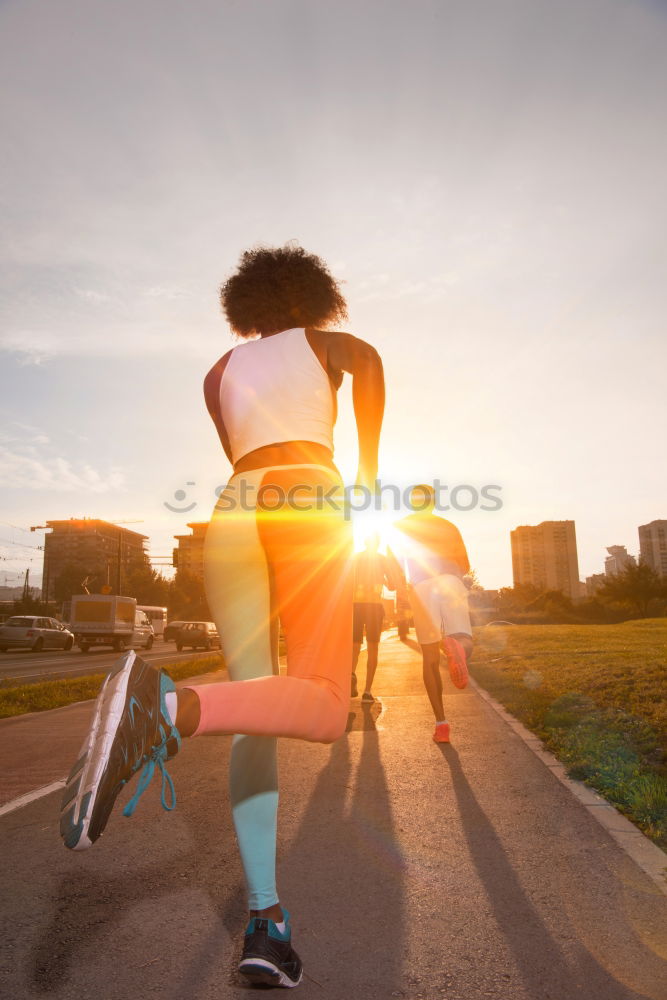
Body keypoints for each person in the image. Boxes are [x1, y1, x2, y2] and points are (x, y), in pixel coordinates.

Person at [60, 244, 385, 989]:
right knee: (326, 706)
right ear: (313, 296)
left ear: (246, 306)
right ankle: (165, 707)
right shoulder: (335, 345)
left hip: (233, 512)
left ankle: (266, 922)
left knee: (258, 711)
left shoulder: (218, 372)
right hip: (309, 494)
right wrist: (362, 480)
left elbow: (240, 454)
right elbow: (365, 387)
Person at [390, 484, 472, 744]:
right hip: (451, 580)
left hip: (422, 587)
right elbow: (465, 564)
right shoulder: (449, 526)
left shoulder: (401, 526)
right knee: (464, 638)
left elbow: (394, 563)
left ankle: (441, 724)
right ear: (433, 503)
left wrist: (400, 588)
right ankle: (456, 648)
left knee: (428, 659)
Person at [350, 533, 398, 701]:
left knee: (354, 646)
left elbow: (347, 579)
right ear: (377, 544)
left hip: (356, 605)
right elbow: (392, 586)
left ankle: (351, 675)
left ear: (365, 542)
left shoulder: (355, 558)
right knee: (373, 648)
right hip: (373, 606)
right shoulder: (383, 559)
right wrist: (384, 580)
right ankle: (367, 691)